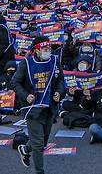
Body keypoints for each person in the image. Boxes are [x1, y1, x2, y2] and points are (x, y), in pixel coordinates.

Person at [13, 36, 64, 174]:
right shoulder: (26, 63)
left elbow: (60, 79)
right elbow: (15, 82)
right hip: (33, 108)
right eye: (44, 48)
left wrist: (59, 92)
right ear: (36, 50)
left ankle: (25, 149)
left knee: (43, 142)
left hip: (50, 106)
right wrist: (25, 95)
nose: (47, 50)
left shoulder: (55, 61)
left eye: (49, 48)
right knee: (38, 145)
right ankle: (39, 171)